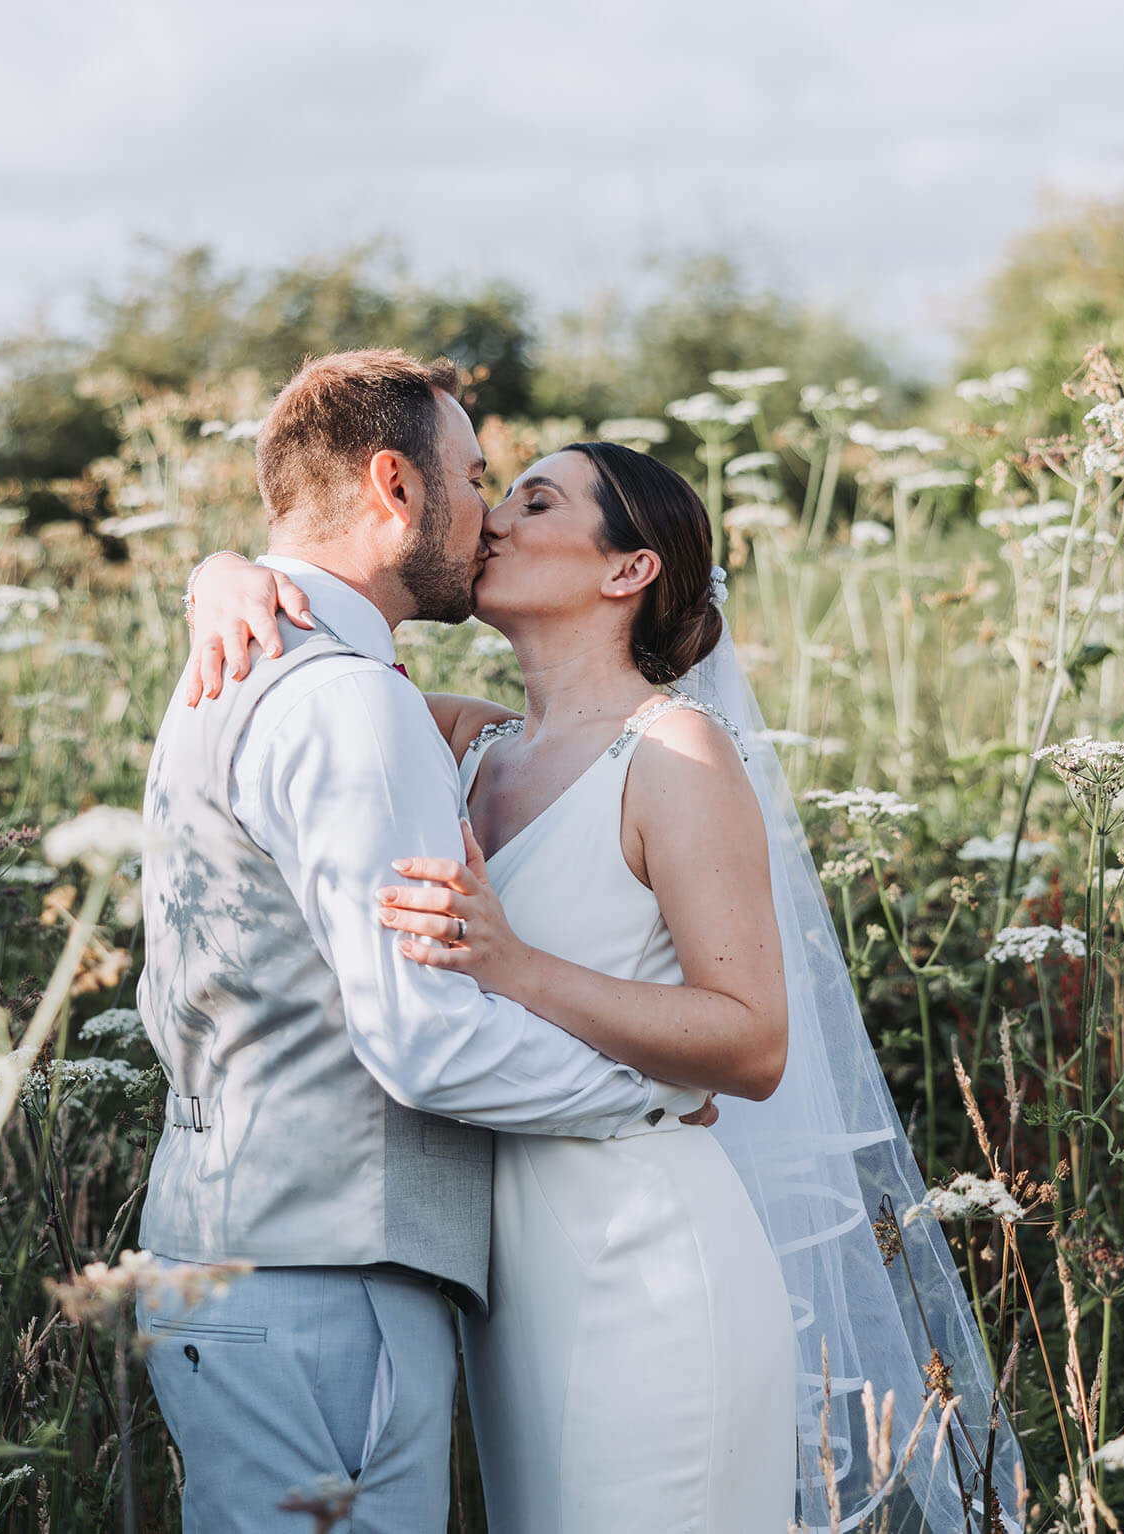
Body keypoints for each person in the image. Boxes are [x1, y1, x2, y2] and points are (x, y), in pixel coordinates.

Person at [185, 428, 1023, 1530]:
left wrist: (517, 967)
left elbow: (751, 1039)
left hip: (647, 1257)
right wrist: (220, 577)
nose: (493, 520)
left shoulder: (675, 753)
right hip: (507, 1276)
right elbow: (315, 656)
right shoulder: (468, 746)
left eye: (536, 504)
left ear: (629, 569)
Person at [133, 349, 716, 1534]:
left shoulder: (247, 664)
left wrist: (220, 571)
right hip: (323, 1276)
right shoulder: (345, 698)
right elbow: (423, 1042)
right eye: (476, 476)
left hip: (237, 1252)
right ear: (394, 486)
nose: (488, 515)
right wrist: (651, 1099)